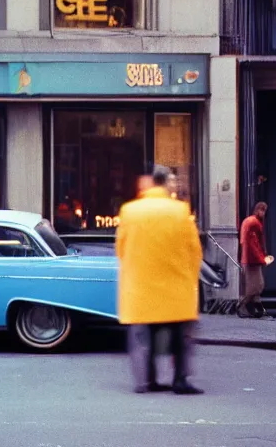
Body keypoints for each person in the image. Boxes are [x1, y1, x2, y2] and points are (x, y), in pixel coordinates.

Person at [116, 165, 204, 395]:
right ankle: (180, 380)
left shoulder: (130, 211)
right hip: (176, 286)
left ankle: (146, 380)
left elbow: (121, 249)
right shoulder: (180, 211)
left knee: (144, 337)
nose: (175, 186)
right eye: (173, 182)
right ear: (164, 184)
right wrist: (190, 277)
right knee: (181, 337)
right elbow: (194, 250)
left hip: (141, 287)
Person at [238, 202, 273, 320]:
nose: (263, 213)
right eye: (262, 210)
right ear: (258, 210)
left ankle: (258, 310)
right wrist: (262, 259)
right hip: (252, 260)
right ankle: (242, 304)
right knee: (257, 285)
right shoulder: (254, 223)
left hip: (247, 259)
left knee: (255, 287)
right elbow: (254, 244)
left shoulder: (249, 222)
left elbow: (247, 242)